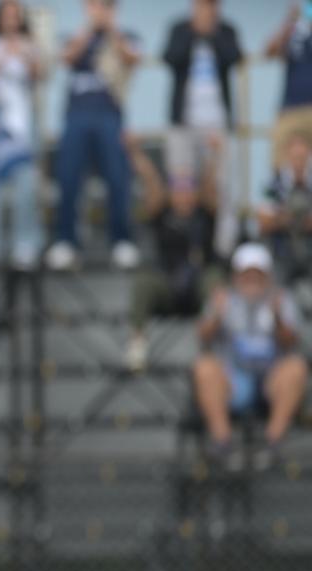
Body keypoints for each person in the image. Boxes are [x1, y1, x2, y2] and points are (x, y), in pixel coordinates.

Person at [45, 0, 142, 273]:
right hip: (76, 116)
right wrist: (90, 29)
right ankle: (66, 241)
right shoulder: (75, 36)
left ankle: (121, 240)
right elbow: (67, 58)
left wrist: (111, 30)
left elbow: (132, 59)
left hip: (109, 115)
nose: (100, 10)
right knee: (68, 178)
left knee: (118, 178)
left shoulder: (126, 36)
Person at [192, 244, 307, 472]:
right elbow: (202, 337)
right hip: (234, 380)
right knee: (204, 367)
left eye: (258, 275)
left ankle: (273, 443)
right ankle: (223, 443)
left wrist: (277, 317)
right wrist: (216, 315)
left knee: (296, 367)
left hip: (270, 381)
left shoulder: (281, 299)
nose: (252, 280)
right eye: (247, 274)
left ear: (268, 276)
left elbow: (292, 342)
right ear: (236, 276)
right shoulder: (221, 298)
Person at [125, 141, 222, 372]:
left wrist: (215, 155)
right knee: (143, 281)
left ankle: (213, 342)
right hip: (169, 287)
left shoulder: (205, 214)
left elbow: (209, 184)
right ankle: (137, 342)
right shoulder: (162, 214)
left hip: (198, 289)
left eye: (188, 189)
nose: (183, 194)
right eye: (178, 189)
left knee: (215, 280)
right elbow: (150, 180)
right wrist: (135, 152)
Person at [162, 0, 242, 255]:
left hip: (217, 123)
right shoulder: (180, 29)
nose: (207, 10)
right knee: (182, 186)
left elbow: (234, 57)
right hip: (183, 123)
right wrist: (194, 31)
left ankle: (223, 249)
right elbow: (171, 57)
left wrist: (212, 32)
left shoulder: (226, 30)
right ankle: (181, 247)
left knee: (223, 187)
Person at [0, 0, 43, 271]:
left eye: (16, 15)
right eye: (7, 15)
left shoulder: (29, 44)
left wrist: (25, 54)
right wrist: (0, 59)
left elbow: (39, 76)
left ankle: (25, 244)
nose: (11, 20)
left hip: (22, 126)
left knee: (26, 188)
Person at [257, 132, 312, 284]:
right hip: (281, 253)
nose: (299, 163)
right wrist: (297, 220)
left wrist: (283, 218)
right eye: (295, 158)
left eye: (302, 158)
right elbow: (264, 221)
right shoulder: (274, 182)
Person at [267, 2, 312, 159]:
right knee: (279, 160)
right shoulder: (293, 32)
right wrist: (288, 22)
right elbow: (269, 52)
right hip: (290, 108)